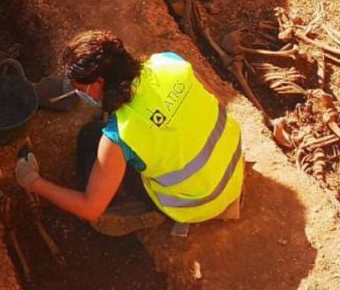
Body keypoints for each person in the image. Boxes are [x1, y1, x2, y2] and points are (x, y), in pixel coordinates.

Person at [15, 30, 244, 236]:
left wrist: (32, 180)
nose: (78, 93)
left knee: (91, 147)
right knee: (102, 137)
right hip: (232, 164)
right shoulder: (168, 63)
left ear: (99, 82)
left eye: (80, 88)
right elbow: (210, 101)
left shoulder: (120, 135)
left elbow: (90, 209)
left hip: (197, 201)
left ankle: (150, 213)